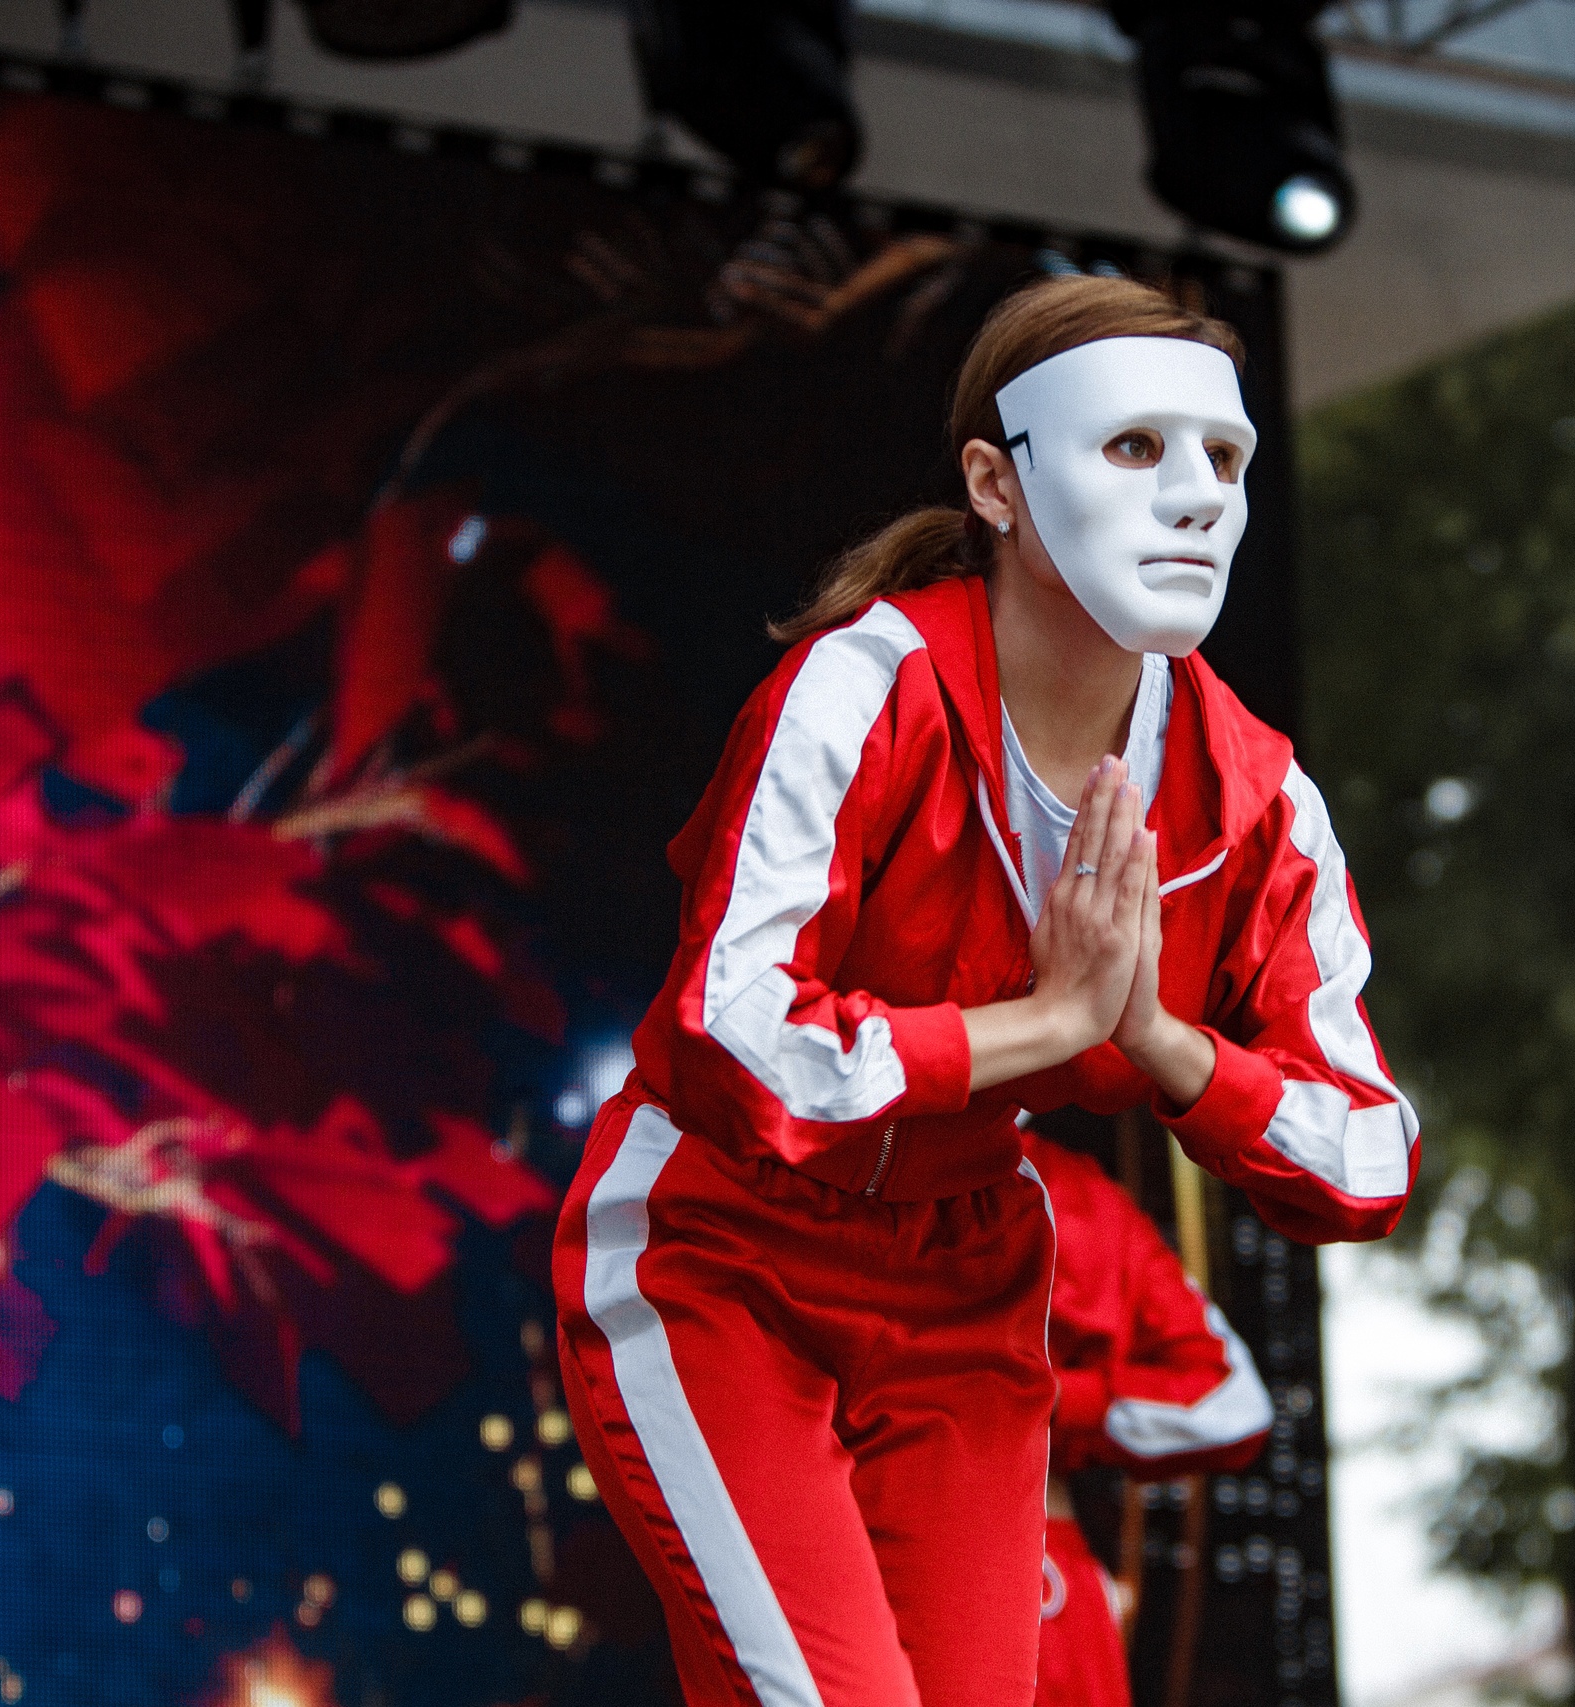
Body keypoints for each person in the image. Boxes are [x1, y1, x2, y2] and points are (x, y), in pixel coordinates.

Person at [552, 273, 1417, 1707]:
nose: (1195, 496)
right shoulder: (861, 686)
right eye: (1134, 445)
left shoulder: (1258, 797)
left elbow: (1367, 1154)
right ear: (995, 482)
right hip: (720, 1248)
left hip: (966, 1289)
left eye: (1226, 458)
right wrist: (1043, 1026)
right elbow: (734, 1032)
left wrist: (1160, 1039)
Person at [1023, 1129, 1273, 1707]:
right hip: (1032, 1574)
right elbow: (1234, 1406)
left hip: (1031, 1573)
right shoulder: (1071, 1189)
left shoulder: (1072, 1191)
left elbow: (1234, 1405)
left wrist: (1047, 1400)